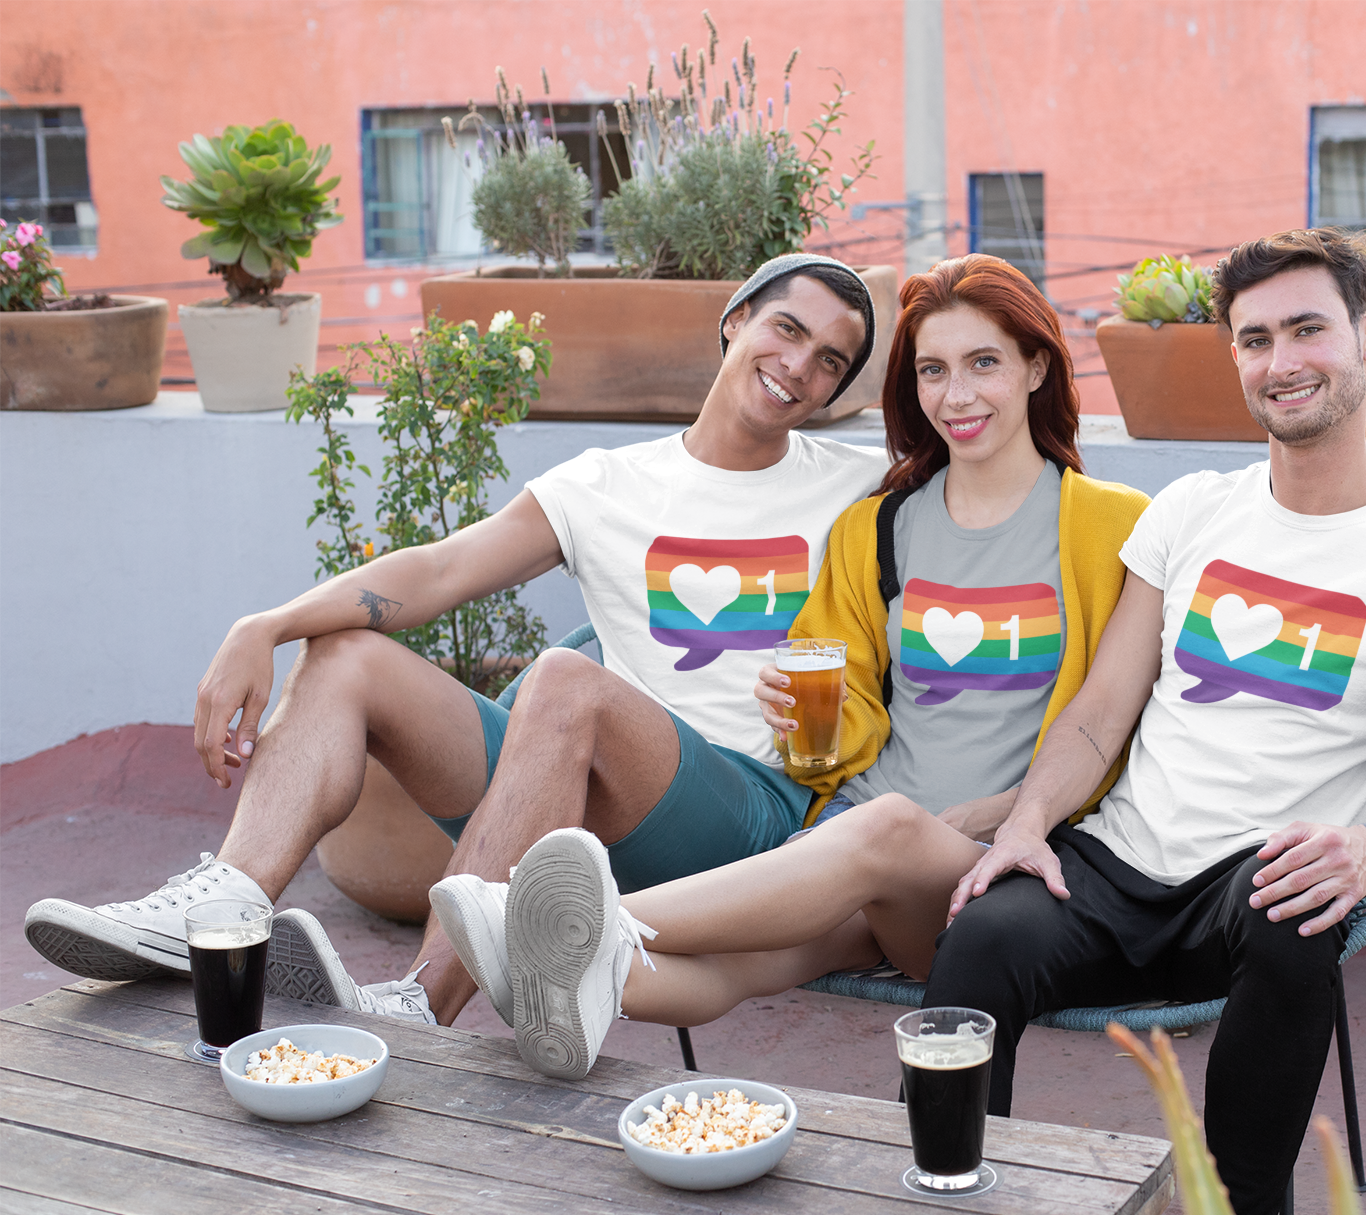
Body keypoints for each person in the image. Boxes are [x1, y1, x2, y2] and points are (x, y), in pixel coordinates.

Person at [24, 254, 890, 1029]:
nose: (798, 367)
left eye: (830, 362)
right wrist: (269, 624)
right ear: (734, 320)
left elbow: (998, 480)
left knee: (563, 679)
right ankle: (223, 906)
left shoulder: (860, 481)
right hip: (587, 796)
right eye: (787, 328)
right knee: (346, 655)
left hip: (747, 818)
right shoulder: (604, 486)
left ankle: (419, 1003)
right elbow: (437, 572)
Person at [921, 228, 1366, 1215]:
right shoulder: (1191, 509)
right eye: (1254, 339)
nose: (1281, 362)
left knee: (1294, 919)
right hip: (1116, 865)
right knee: (981, 936)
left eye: (1307, 330)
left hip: (1255, 878)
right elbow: (1102, 710)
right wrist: (1024, 823)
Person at [429, 254, 1151, 1081]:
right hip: (845, 838)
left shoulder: (1113, 528)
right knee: (734, 966)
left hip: (978, 872)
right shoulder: (877, 528)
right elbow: (842, 726)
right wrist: (811, 713)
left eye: (983, 363)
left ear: (1035, 365)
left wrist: (991, 815)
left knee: (885, 829)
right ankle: (564, 982)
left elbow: (1122, 726)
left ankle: (559, 920)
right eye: (933, 370)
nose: (957, 396)